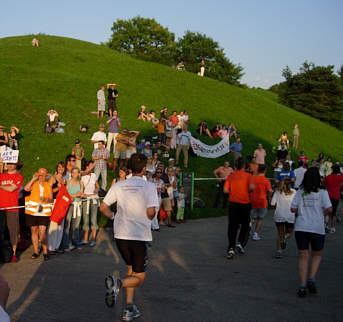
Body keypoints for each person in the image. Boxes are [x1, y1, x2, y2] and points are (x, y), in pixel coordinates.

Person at [100, 154, 159, 320]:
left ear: (130, 168)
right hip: (138, 235)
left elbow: (103, 207)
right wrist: (152, 214)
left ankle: (129, 307)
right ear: (144, 168)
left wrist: (113, 217)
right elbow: (150, 213)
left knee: (131, 270)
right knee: (139, 278)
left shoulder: (120, 185)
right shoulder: (149, 187)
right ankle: (118, 284)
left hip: (120, 235)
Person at [291, 167, 332, 297]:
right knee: (317, 255)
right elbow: (329, 209)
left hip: (302, 226)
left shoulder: (301, 191)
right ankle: (311, 278)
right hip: (317, 227)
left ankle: (302, 286)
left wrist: (302, 210)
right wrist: (322, 212)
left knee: (303, 256)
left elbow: (293, 209)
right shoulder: (322, 192)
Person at [224, 158, 254, 260]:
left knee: (232, 225)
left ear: (235, 166)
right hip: (245, 203)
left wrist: (234, 191)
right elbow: (251, 188)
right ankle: (240, 242)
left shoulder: (231, 176)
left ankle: (231, 247)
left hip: (233, 203)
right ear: (244, 166)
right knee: (245, 224)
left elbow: (225, 190)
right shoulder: (249, 176)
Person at [24, 168, 53, 261]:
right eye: (40, 175)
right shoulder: (34, 184)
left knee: (42, 232)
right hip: (33, 211)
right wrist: (33, 179)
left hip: (44, 212)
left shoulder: (48, 185)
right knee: (34, 231)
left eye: (43, 175)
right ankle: (36, 251)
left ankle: (45, 251)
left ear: (46, 176)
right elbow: (26, 188)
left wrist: (44, 199)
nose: (42, 177)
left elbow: (51, 199)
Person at [0, 161, 23, 262]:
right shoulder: (2, 175)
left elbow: (11, 189)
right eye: (8, 164)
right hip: (1, 208)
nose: (10, 166)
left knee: (13, 231)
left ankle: (13, 253)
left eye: (12, 164)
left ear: (15, 165)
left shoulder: (18, 177)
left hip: (12, 208)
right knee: (1, 231)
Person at [270, 178, 296, 258]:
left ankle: (279, 251)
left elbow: (272, 204)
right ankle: (285, 238)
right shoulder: (294, 192)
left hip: (279, 215)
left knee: (279, 233)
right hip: (290, 215)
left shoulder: (278, 192)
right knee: (289, 232)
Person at [61, 167, 84, 251]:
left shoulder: (81, 183)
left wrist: (81, 196)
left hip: (78, 205)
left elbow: (80, 194)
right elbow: (65, 196)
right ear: (71, 174)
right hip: (69, 205)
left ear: (78, 174)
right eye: (73, 172)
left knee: (76, 225)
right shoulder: (68, 183)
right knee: (67, 225)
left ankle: (76, 243)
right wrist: (75, 195)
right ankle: (66, 245)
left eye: (76, 173)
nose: (74, 174)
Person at [47, 162, 67, 254]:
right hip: (54, 202)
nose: (60, 169)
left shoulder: (64, 180)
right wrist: (58, 188)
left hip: (62, 203)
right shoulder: (53, 178)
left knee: (60, 225)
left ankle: (56, 246)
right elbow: (48, 190)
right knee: (53, 225)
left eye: (62, 167)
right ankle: (50, 247)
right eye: (59, 167)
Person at [250, 165, 272, 241]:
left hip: (253, 200)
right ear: (265, 171)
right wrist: (269, 197)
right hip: (262, 201)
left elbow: (250, 189)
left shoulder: (253, 178)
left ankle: (249, 224)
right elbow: (269, 191)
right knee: (260, 218)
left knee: (253, 217)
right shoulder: (266, 180)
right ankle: (255, 233)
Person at [81, 161, 99, 246]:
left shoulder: (94, 175)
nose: (91, 168)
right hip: (86, 199)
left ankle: (93, 239)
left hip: (94, 199)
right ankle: (85, 238)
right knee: (85, 219)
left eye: (92, 167)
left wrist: (97, 189)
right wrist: (83, 194)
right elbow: (81, 188)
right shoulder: (83, 176)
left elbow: (97, 186)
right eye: (90, 166)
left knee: (93, 219)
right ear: (86, 167)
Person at [323, 164, 343, 233]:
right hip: (336, 196)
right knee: (334, 213)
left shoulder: (328, 177)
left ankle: (326, 225)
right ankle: (332, 227)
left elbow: (324, 184)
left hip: (328, 196)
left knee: (327, 211)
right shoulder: (339, 177)